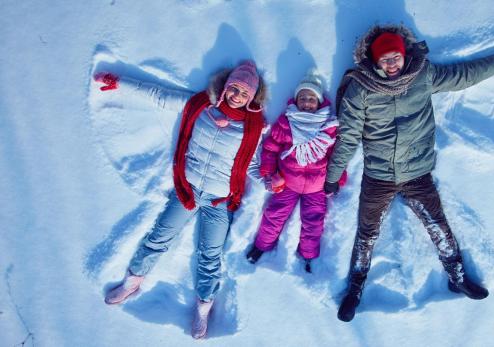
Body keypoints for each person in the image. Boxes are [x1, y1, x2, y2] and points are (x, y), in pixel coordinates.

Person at [324, 25, 494, 322]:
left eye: (395, 57)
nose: (392, 63)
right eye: (385, 60)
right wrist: (333, 176)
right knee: (367, 232)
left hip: (417, 172)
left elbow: (463, 75)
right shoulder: (361, 88)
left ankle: (457, 276)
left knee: (437, 225)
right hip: (378, 176)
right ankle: (355, 289)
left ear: (404, 55)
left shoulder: (421, 74)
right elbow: (349, 136)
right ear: (375, 61)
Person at [93, 61, 266, 339]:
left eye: (244, 93)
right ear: (225, 87)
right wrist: (119, 83)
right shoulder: (200, 105)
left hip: (218, 200)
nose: (237, 96)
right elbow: (158, 95)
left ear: (252, 98)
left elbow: (252, 164)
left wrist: (271, 180)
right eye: (234, 88)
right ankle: (132, 281)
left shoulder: (253, 127)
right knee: (159, 237)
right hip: (187, 190)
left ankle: (203, 308)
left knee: (210, 256)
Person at [245, 70, 346, 273]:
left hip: (317, 186)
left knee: (313, 221)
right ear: (296, 101)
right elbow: (271, 147)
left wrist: (338, 178)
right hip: (287, 182)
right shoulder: (286, 122)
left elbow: (337, 155)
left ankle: (308, 255)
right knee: (274, 215)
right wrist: (268, 170)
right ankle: (261, 246)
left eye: (311, 99)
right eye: (303, 98)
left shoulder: (328, 126)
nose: (307, 102)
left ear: (318, 102)